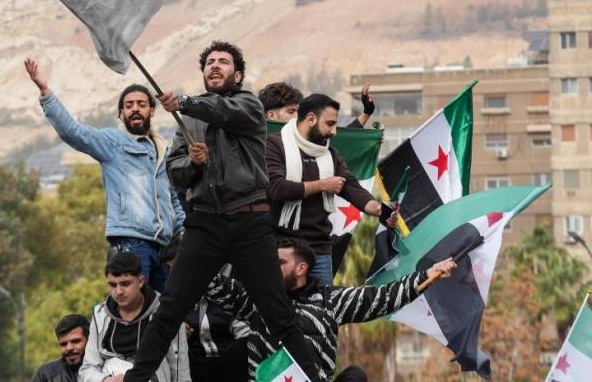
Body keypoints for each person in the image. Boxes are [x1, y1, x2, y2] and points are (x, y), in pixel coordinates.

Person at [122, 41, 322, 382]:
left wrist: (185, 102)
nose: (215, 66)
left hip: (249, 224)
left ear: (237, 74)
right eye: (210, 62)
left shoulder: (248, 106)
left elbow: (223, 113)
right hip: (205, 227)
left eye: (223, 62)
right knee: (169, 310)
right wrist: (194, 163)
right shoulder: (188, 119)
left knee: (279, 316)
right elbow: (175, 171)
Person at [25, 58, 184, 291]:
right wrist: (45, 92)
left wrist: (183, 234)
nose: (135, 109)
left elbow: (172, 202)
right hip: (133, 243)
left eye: (141, 104)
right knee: (136, 312)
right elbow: (73, 132)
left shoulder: (163, 151)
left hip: (164, 248)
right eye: (129, 105)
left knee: (165, 315)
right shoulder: (113, 143)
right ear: (121, 113)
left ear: (152, 110)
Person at [206, 237, 457, 382]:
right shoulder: (257, 297)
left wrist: (429, 275)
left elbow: (382, 297)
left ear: (301, 268)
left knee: (355, 376)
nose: (272, 267)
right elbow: (216, 286)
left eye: (280, 262)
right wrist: (194, 252)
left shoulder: (330, 300)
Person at [267, 93, 397, 285]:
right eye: (330, 124)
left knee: (321, 312)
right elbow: (276, 188)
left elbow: (351, 187)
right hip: (281, 250)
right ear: (311, 119)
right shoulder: (274, 145)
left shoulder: (330, 153)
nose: (334, 131)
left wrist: (378, 209)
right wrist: (322, 185)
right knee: (279, 312)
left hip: (319, 252)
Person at [80, 252, 190, 382]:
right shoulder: (100, 315)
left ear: (141, 281)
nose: (119, 291)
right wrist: (106, 380)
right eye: (113, 285)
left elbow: (179, 367)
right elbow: (87, 369)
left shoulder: (165, 313)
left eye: (125, 284)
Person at [161, 237, 248, 382]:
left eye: (177, 268)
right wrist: (180, 333)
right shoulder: (174, 299)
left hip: (228, 365)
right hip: (193, 366)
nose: (173, 275)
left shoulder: (229, 292)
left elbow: (244, 336)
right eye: (169, 268)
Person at [32, 314, 90, 382]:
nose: (69, 348)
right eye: (63, 344)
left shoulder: (104, 371)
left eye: (75, 341)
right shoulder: (45, 374)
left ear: (90, 340)